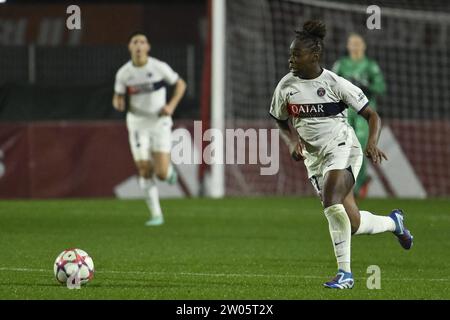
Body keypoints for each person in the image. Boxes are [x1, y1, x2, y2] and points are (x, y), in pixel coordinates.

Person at [269, 21, 413, 289]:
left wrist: (371, 142)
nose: (291, 59)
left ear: (314, 56)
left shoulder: (335, 83)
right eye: (290, 54)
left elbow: (372, 115)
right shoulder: (285, 87)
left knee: (330, 198)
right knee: (353, 223)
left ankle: (344, 274)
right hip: (315, 160)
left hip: (343, 148)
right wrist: (291, 142)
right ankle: (395, 223)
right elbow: (279, 120)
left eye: (296, 54)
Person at [113, 31, 186, 226]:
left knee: (161, 173)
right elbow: (118, 96)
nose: (138, 45)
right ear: (130, 47)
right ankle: (156, 215)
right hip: (137, 123)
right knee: (144, 168)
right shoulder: (124, 73)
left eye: (142, 42)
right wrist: (118, 102)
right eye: (134, 42)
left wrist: (171, 106)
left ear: (147, 47)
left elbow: (180, 84)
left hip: (159, 122)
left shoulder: (158, 67)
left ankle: (168, 173)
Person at [332, 33, 386, 198]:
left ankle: (355, 186)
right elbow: (330, 84)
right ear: (348, 46)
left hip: (365, 111)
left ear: (364, 46)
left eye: (358, 43)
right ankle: (347, 184)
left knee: (360, 148)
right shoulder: (341, 64)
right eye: (352, 43)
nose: (355, 46)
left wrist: (367, 85)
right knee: (343, 148)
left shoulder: (370, 66)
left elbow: (381, 87)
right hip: (345, 111)